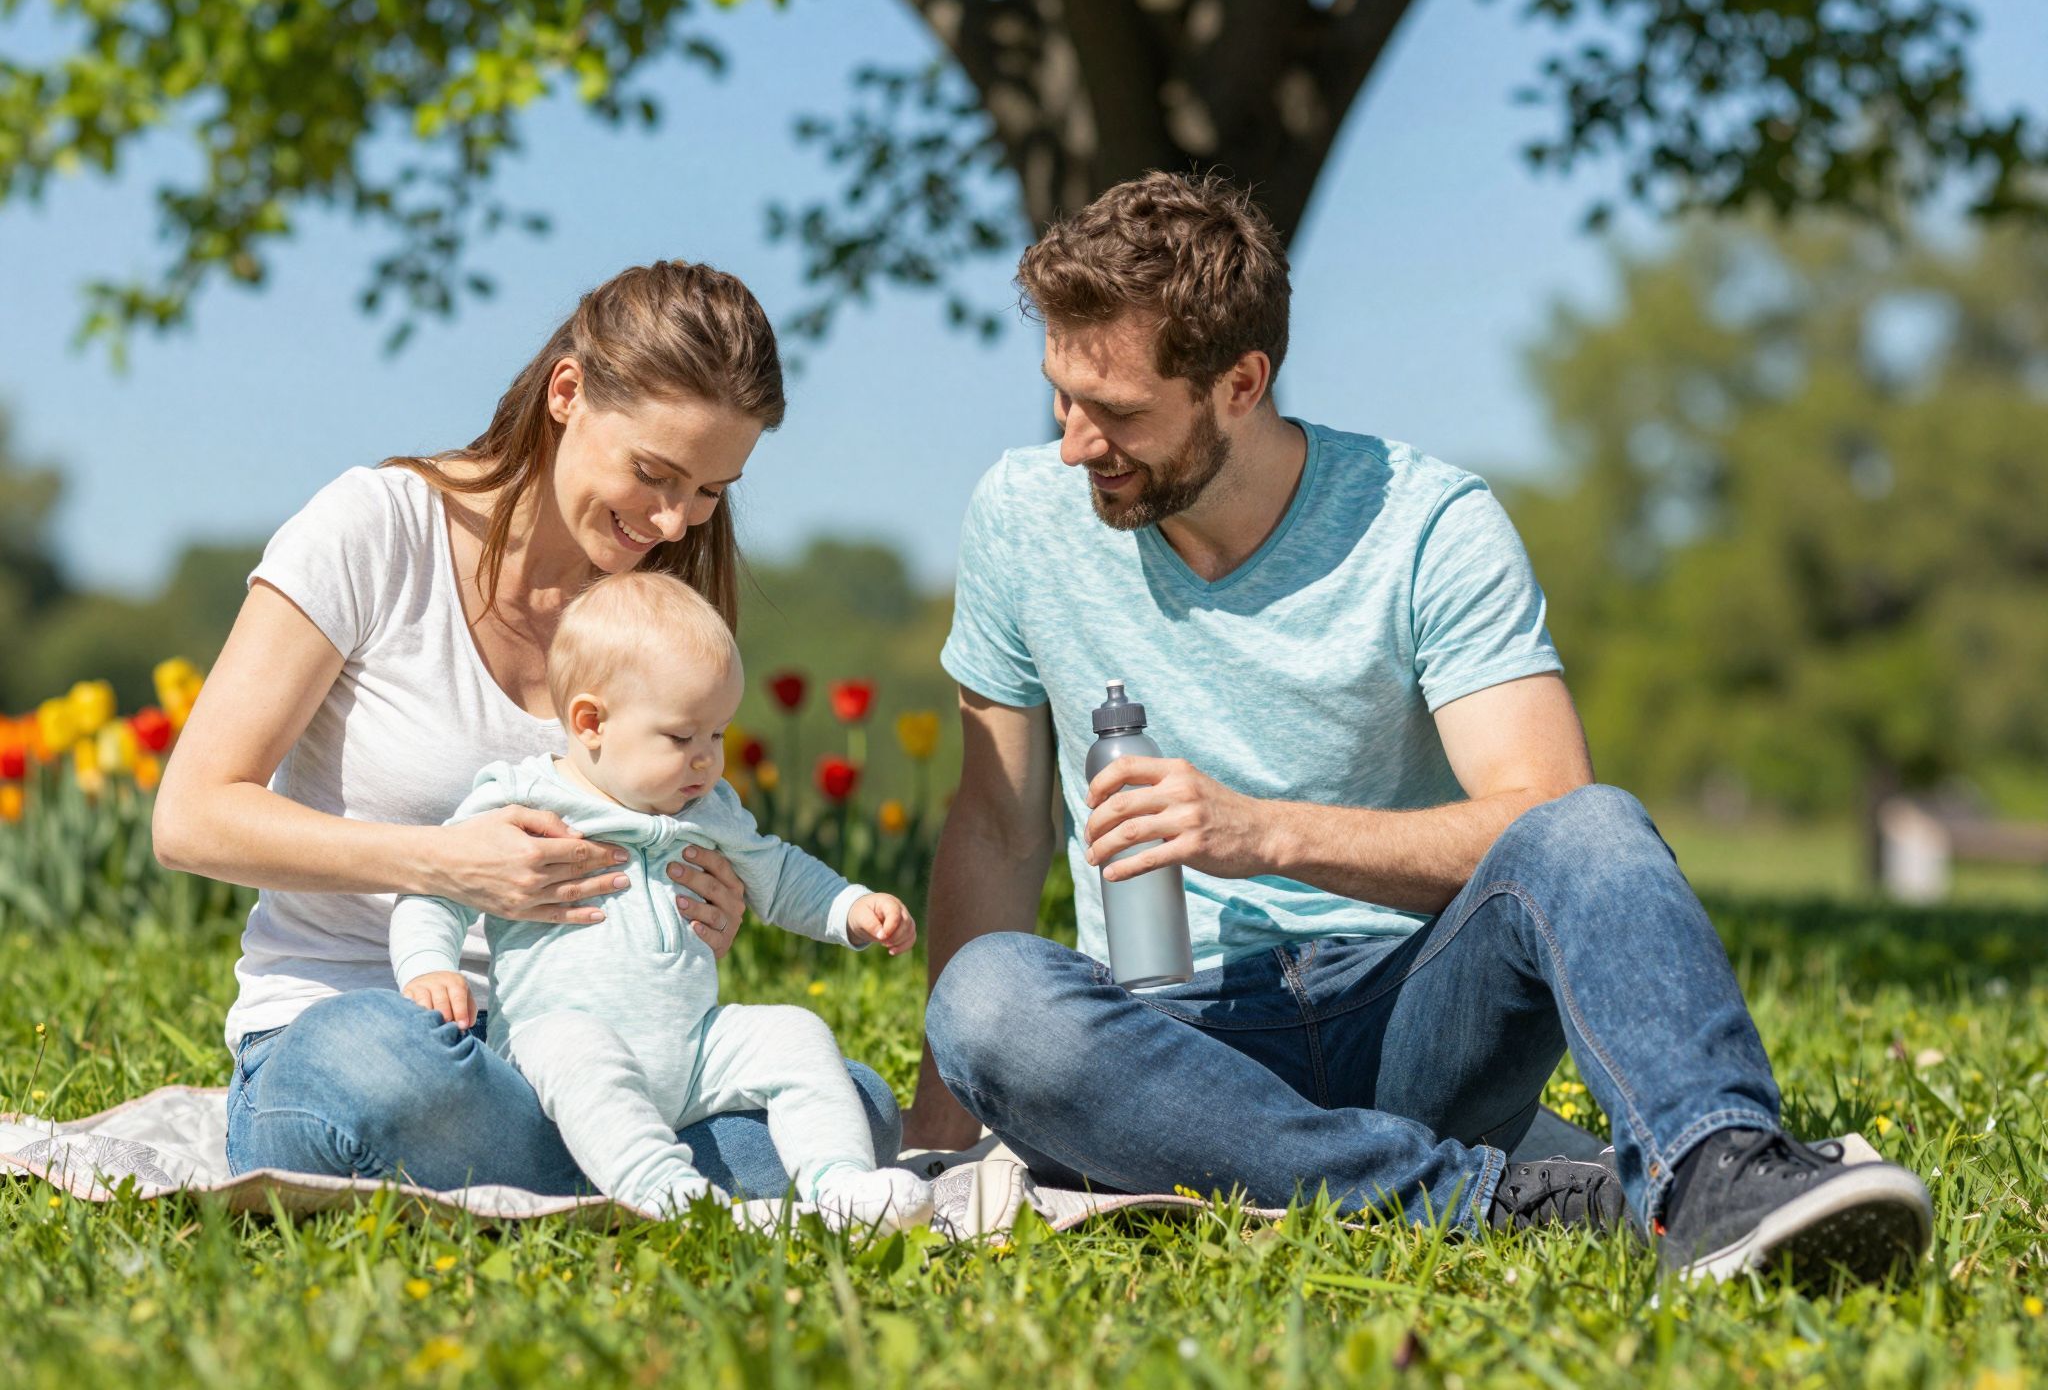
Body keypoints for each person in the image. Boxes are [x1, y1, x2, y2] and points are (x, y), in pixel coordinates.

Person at [905, 172, 1933, 1284]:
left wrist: (1260, 833)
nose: (1073, 444)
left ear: (1239, 383)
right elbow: (998, 830)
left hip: (1406, 1020)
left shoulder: (1426, 524)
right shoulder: (1019, 518)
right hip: (1166, 1046)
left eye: (1115, 413)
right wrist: (932, 1147)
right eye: (1061, 396)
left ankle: (1718, 1174)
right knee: (989, 997)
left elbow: (1535, 819)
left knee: (1590, 826)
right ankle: (1504, 1204)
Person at [153, 260, 902, 1196]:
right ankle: (645, 1176)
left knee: (857, 1101)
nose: (674, 520)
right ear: (567, 391)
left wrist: (702, 907)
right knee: (368, 1062)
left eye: (711, 491)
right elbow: (190, 819)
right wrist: (444, 865)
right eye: (654, 473)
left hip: (598, 1055)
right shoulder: (376, 529)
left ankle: (603, 1170)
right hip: (376, 1026)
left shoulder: (653, 607)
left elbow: (680, 826)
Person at [390, 571, 931, 1228]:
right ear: (591, 722)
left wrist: (849, 906)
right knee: (576, 1045)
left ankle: (839, 1185)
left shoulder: (710, 810)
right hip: (549, 1058)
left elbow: (779, 875)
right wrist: (427, 965)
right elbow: (437, 886)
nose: (707, 761)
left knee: (796, 1032)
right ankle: (677, 1199)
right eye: (681, 738)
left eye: (718, 736)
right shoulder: (522, 800)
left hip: (691, 1047)